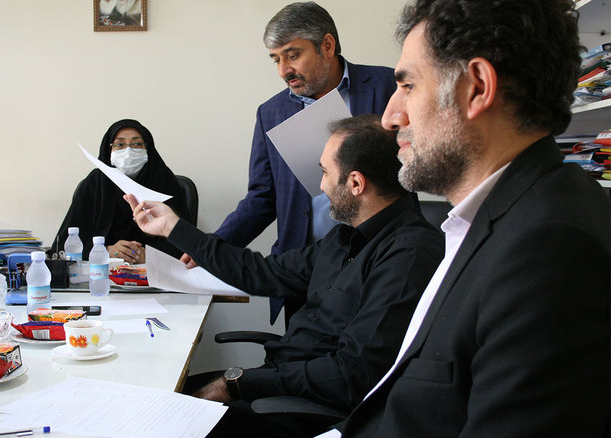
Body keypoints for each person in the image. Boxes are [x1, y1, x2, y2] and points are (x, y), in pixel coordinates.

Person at [323, 1, 611, 437]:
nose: (390, 118)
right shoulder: (505, 215)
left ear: (477, 87)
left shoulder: (549, 251)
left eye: (409, 86)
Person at [125, 114, 443, 438]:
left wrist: (237, 384)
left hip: (310, 410)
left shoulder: (410, 255)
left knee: (159, 423)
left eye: (325, 172)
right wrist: (174, 227)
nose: (320, 186)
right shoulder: (344, 238)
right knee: (153, 396)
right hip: (278, 381)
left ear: (356, 183)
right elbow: (262, 272)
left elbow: (352, 373)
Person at [193, 2, 397, 324]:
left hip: (381, 262)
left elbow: (418, 161)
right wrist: (208, 248)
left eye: (292, 55)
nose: (283, 70)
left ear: (327, 45)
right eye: (276, 59)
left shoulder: (388, 87)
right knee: (299, 354)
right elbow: (262, 198)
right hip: (305, 273)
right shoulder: (271, 113)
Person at [51, 119, 187, 263]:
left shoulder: (165, 180)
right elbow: (63, 245)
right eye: (120, 144)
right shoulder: (94, 184)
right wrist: (105, 251)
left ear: (148, 148)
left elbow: (187, 241)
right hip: (102, 270)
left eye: (137, 144)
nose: (128, 151)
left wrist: (151, 256)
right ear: (108, 150)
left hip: (155, 270)